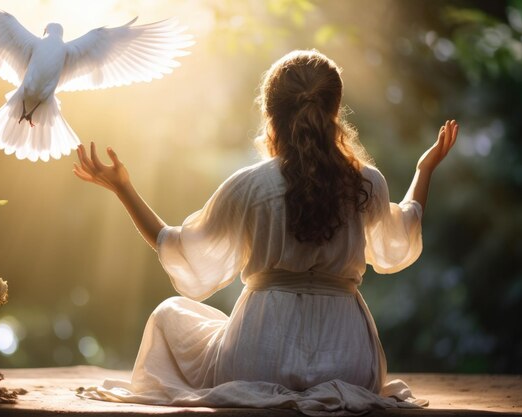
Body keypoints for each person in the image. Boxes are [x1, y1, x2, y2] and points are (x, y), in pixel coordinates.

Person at [72, 49, 458, 415]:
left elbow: (179, 250)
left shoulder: (249, 186)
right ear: (335, 110)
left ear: (270, 113)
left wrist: (123, 188)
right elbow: (399, 241)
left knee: (170, 315)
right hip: (351, 365)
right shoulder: (367, 183)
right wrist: (424, 170)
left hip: (256, 360)